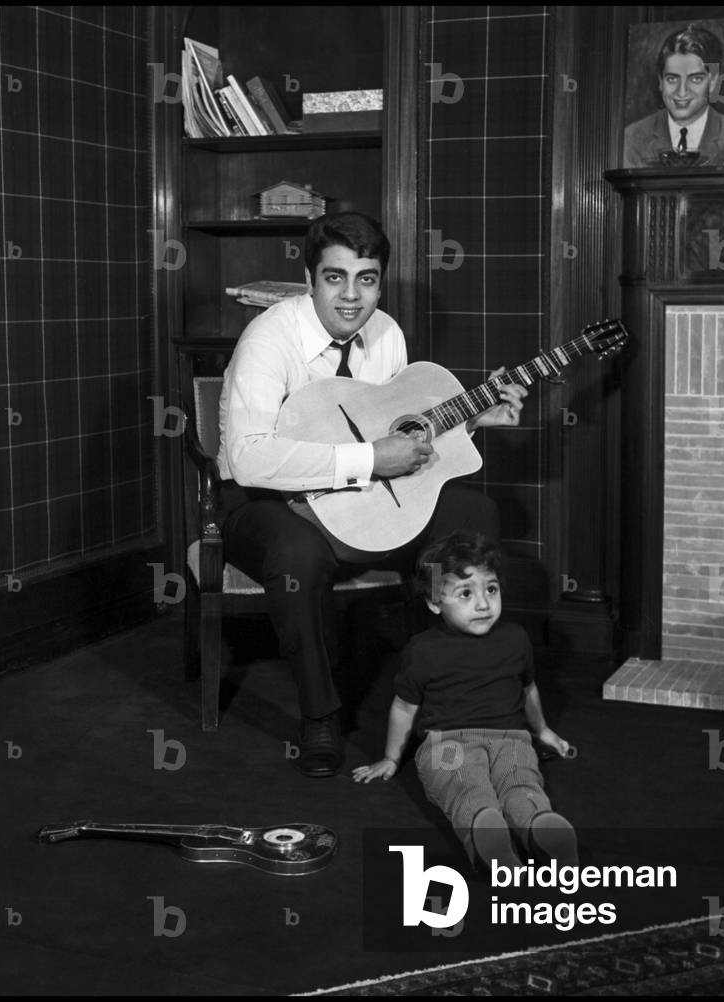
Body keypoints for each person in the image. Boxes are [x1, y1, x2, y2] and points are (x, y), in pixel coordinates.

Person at [217, 212, 528, 778]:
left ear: (381, 282)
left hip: (359, 497)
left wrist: (474, 422)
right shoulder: (267, 340)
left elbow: (398, 432)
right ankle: (320, 714)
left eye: (366, 278)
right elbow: (250, 457)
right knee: (297, 556)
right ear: (310, 279)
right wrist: (368, 459)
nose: (351, 295)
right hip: (257, 499)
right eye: (335, 277)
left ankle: (454, 689)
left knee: (473, 512)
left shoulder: (385, 332)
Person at [353, 531, 577, 873]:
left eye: (491, 589)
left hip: (508, 738)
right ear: (434, 603)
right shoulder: (423, 650)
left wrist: (543, 730)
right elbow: (404, 706)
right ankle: (492, 837)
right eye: (465, 593)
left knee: (519, 781)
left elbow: (528, 688)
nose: (484, 604)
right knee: (467, 784)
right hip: (451, 741)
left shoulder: (516, 639)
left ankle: (538, 826)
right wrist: (390, 757)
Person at [622, 24, 724, 168]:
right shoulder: (632, 139)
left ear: (713, 81)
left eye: (695, 79)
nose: (682, 92)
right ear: (660, 81)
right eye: (672, 79)